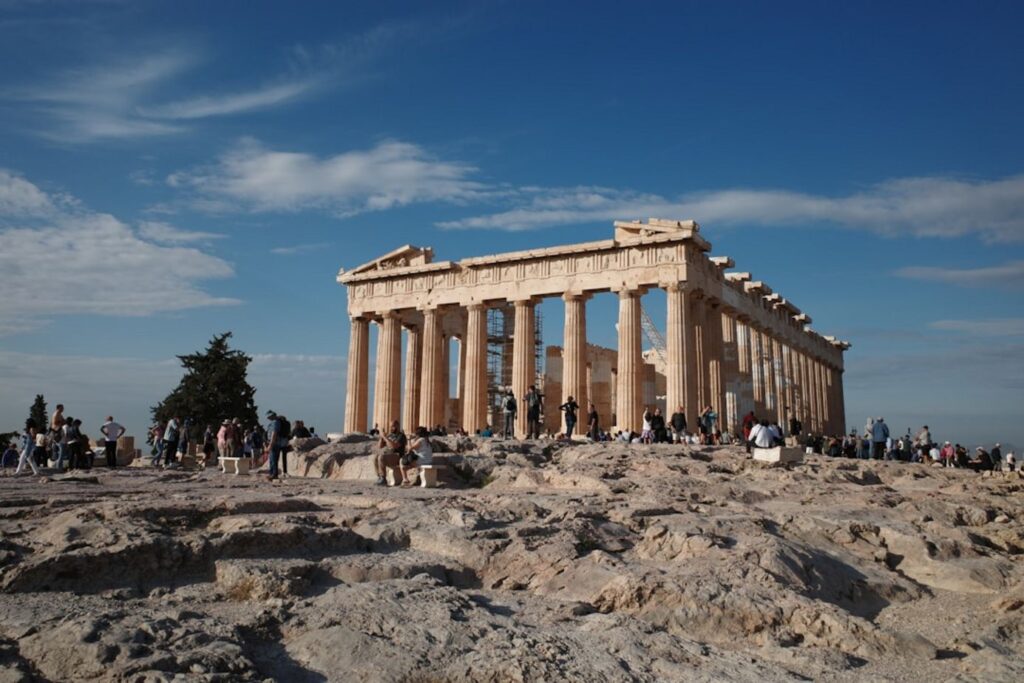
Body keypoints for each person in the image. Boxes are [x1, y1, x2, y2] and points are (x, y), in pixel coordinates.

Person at [374, 420, 407, 486]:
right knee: (375, 457)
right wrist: (381, 437)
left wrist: (385, 437)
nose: (391, 428)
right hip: (389, 455)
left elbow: (394, 446)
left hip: (398, 456)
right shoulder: (389, 435)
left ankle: (383, 479)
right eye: (390, 427)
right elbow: (380, 446)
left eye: (393, 426)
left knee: (381, 457)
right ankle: (380, 476)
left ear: (397, 426)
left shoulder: (401, 436)